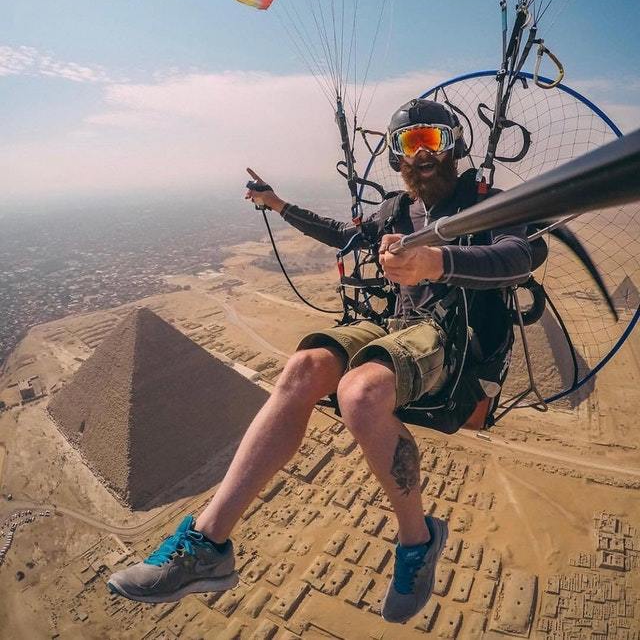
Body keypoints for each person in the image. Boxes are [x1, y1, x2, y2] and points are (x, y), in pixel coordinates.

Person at [107, 99, 532, 623]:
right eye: (409, 143)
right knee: (301, 368)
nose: (421, 156)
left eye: (433, 141)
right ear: (395, 155)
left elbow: (522, 255)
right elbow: (343, 234)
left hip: (453, 337)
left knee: (360, 393)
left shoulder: (486, 204)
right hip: (395, 327)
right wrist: (279, 204)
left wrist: (436, 262)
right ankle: (208, 544)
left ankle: (417, 542)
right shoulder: (397, 212)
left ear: (455, 145)